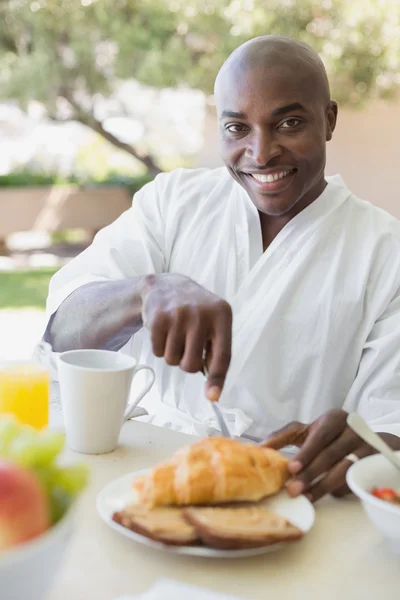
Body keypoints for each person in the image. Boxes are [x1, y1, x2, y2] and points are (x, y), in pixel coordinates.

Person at [44, 35, 400, 502]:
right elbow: (61, 335)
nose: (261, 152)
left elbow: (388, 427)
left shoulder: (386, 253)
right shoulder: (171, 203)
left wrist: (368, 446)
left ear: (329, 119)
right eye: (237, 129)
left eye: (289, 123)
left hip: (287, 497)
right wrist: (147, 292)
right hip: (142, 475)